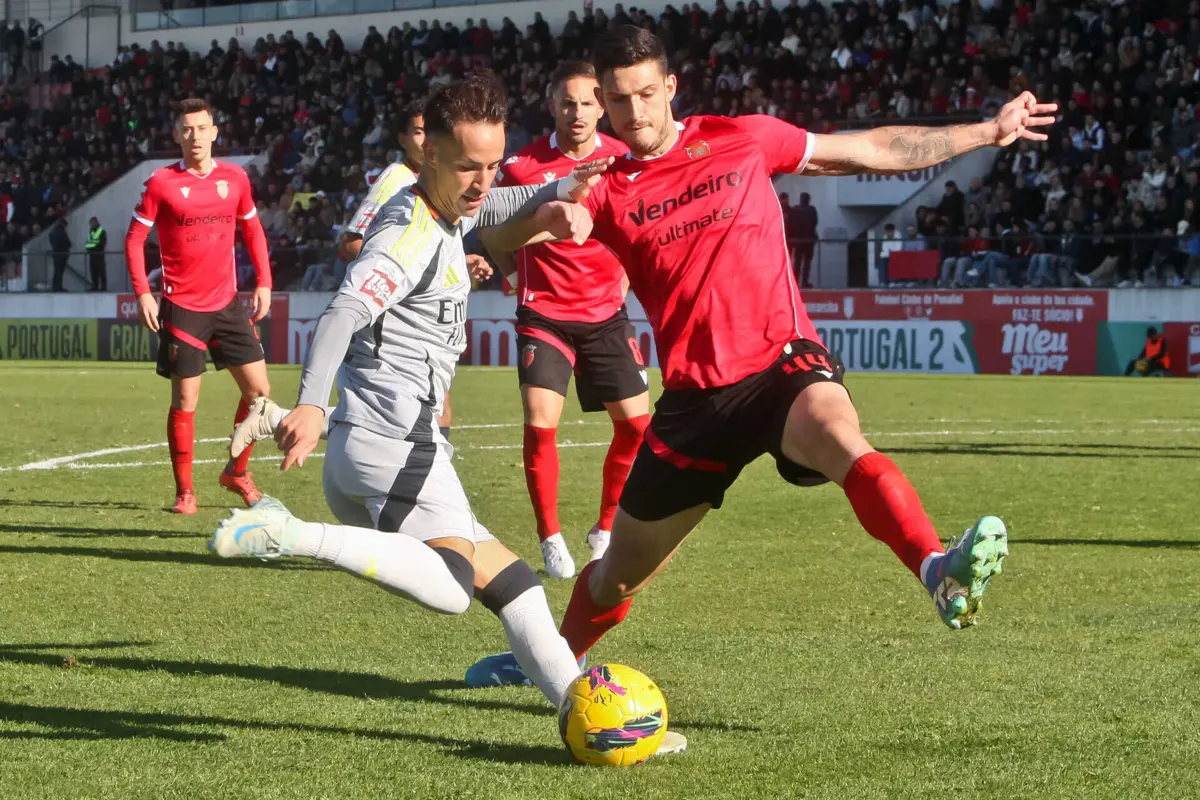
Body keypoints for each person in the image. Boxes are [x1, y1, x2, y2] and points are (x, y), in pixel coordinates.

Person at [468, 25, 1051, 687]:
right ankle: (546, 663)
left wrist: (982, 132)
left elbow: (864, 149)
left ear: (671, 88)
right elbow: (494, 229)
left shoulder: (741, 136)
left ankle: (937, 570)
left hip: (782, 366)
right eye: (620, 99)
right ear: (602, 98)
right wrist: (547, 217)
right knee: (614, 578)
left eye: (647, 94)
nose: (635, 113)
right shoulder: (602, 184)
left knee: (838, 434)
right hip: (695, 402)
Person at [209, 72, 686, 758]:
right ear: (426, 151)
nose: (483, 181)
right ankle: (289, 533)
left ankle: (592, 719)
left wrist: (558, 190)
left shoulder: (446, 208)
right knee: (455, 590)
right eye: (468, 166)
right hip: (390, 448)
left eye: (492, 164)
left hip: (393, 448)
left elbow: (495, 208)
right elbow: (344, 309)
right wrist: (311, 403)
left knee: (517, 590)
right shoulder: (405, 233)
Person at [482, 60, 650, 579]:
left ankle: (603, 529)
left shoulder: (623, 160)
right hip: (545, 314)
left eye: (587, 102)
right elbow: (492, 232)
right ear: (552, 104)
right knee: (539, 425)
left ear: (602, 106)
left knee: (638, 427)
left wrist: (622, 282)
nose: (577, 112)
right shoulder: (522, 166)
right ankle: (550, 537)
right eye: (567, 102)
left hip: (606, 315)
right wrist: (513, 279)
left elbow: (637, 229)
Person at [124, 98, 274, 515]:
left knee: (260, 393)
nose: (195, 136)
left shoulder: (236, 178)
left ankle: (237, 471)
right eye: (186, 129)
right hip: (182, 306)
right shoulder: (161, 183)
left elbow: (253, 230)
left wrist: (264, 281)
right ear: (177, 135)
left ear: (214, 132)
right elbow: (134, 239)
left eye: (202, 128)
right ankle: (185, 492)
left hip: (227, 304)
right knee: (186, 398)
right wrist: (143, 292)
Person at [336, 97, 480, 440]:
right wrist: (400, 276)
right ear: (402, 139)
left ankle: (428, 468)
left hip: (425, 314)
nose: (423, 140)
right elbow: (351, 241)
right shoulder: (395, 179)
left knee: (436, 401)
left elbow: (427, 251)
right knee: (428, 402)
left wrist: (458, 263)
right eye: (416, 132)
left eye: (428, 132)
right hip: (396, 320)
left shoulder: (436, 182)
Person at [49, 218, 70, 292]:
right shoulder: (61, 232)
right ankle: (58, 287)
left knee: (57, 271)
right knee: (59, 272)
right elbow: (67, 242)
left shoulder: (53, 232)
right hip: (61, 254)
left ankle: (56, 287)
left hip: (57, 254)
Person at [86, 217, 107, 291]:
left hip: (99, 255)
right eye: (91, 223)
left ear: (96, 223)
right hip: (92, 255)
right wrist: (93, 246)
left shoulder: (101, 231)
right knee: (93, 271)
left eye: (93, 223)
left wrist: (93, 246)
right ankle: (94, 286)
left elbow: (102, 244)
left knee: (101, 272)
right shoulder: (90, 231)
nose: (91, 224)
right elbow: (87, 244)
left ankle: (103, 287)